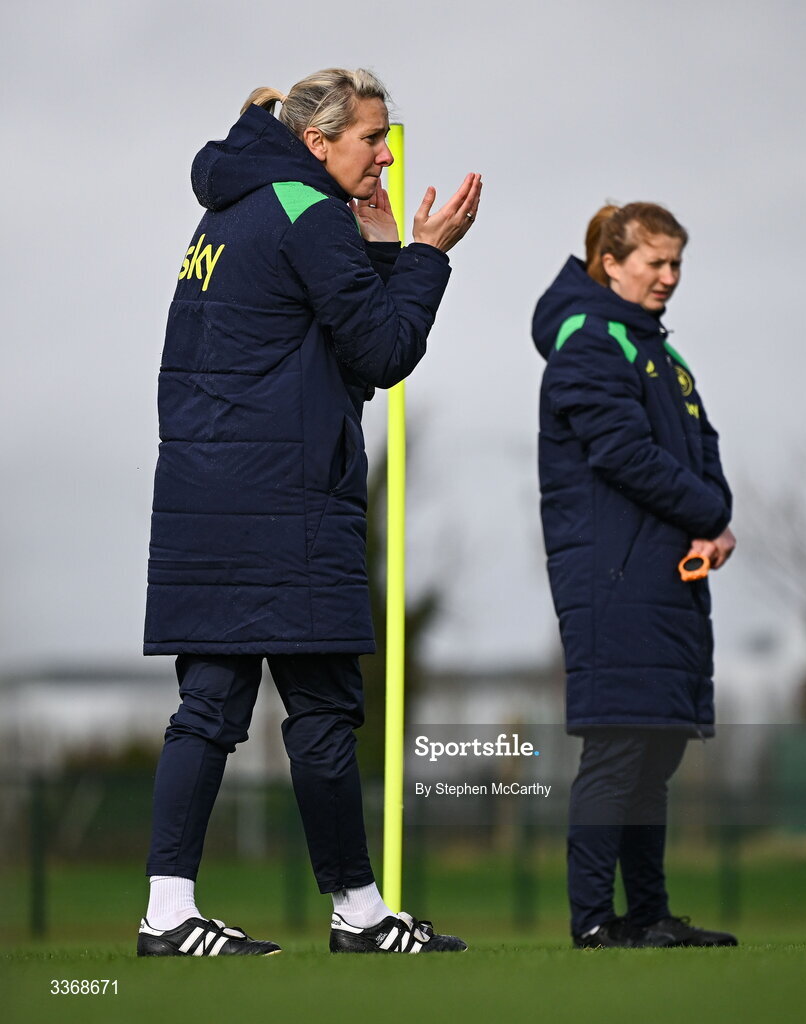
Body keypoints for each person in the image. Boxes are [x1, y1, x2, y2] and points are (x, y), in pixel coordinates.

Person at [139, 68, 481, 957]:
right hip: (285, 499)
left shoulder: (233, 205)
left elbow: (327, 355)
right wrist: (425, 255)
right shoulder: (307, 208)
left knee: (211, 705)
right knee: (321, 711)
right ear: (319, 142)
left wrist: (372, 254)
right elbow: (383, 350)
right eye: (372, 139)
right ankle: (349, 916)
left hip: (210, 493)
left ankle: (177, 913)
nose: (387, 154)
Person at [532, 202, 737, 948]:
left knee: (656, 751)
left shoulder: (662, 355)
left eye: (676, 263)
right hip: (614, 581)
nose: (668, 277)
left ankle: (648, 916)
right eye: (655, 262)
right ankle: (593, 922)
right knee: (619, 749)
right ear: (610, 264)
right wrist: (709, 514)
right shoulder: (590, 344)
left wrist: (713, 522)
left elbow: (700, 452)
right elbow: (623, 453)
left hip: (667, 578)